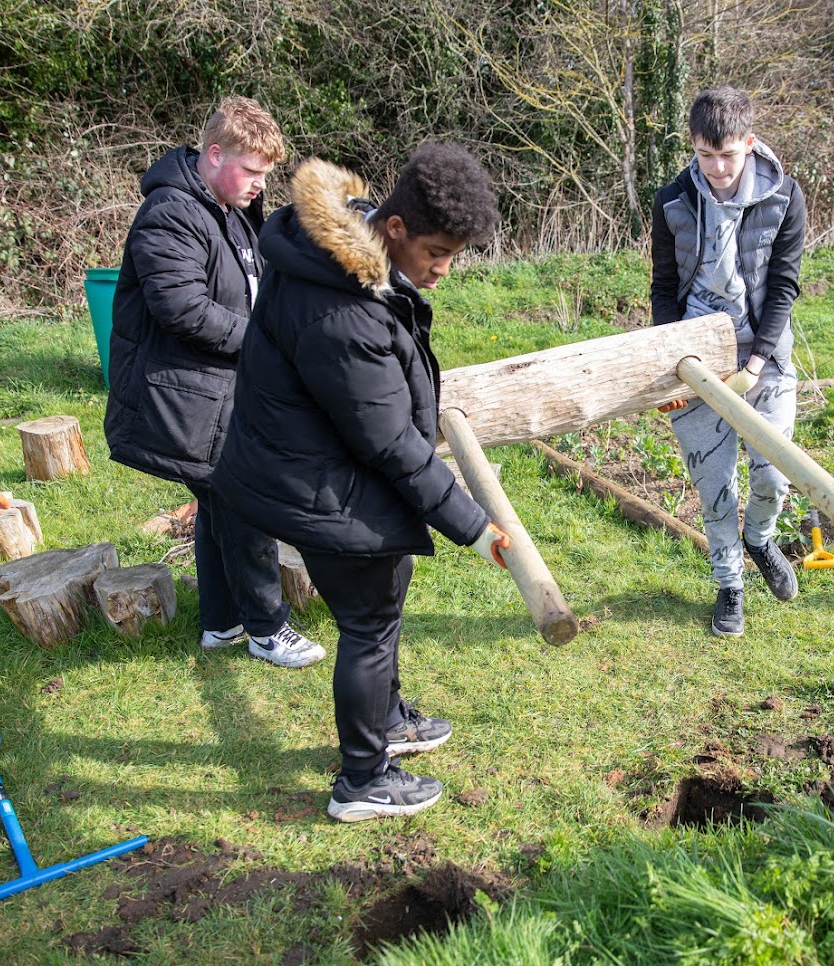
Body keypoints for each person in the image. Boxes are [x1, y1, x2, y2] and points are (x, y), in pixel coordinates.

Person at [211, 144, 512, 823]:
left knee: (382, 606)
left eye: (454, 256)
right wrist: (472, 526)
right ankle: (363, 779)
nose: (441, 271)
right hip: (319, 483)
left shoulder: (342, 255)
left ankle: (390, 719)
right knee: (368, 623)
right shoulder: (340, 307)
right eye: (436, 252)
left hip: (320, 461)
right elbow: (388, 442)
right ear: (395, 227)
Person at [104, 96, 326, 669]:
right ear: (214, 152)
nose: (259, 184)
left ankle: (221, 624)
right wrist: (266, 340)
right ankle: (267, 629)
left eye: (265, 174)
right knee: (245, 500)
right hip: (183, 395)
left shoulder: (229, 210)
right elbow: (181, 308)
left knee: (220, 500)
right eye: (251, 171)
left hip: (217, 393)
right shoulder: (172, 213)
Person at [651, 86, 807, 638]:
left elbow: (785, 285)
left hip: (766, 353)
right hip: (698, 356)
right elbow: (665, 286)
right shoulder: (672, 200)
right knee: (715, 484)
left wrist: (761, 357)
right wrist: (671, 358)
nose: (716, 168)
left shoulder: (785, 197)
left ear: (749, 142)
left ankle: (760, 539)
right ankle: (730, 583)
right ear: (691, 147)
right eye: (704, 155)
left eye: (728, 155)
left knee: (775, 476)